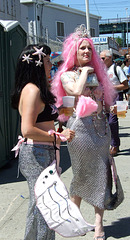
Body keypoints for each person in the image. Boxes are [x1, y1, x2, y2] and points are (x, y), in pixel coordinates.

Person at [52, 24, 117, 240]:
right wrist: (86, 71)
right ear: (74, 52)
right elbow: (76, 91)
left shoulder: (99, 74)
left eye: (89, 49)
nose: (86, 52)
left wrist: (113, 109)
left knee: (102, 175)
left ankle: (98, 225)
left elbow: (103, 102)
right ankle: (74, 220)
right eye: (82, 49)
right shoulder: (66, 75)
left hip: (101, 130)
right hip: (79, 131)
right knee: (80, 175)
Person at [11, 43, 75, 240]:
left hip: (43, 152)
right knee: (43, 207)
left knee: (44, 205)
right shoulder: (32, 90)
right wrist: (56, 136)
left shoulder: (37, 89)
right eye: (47, 60)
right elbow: (27, 129)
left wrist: (60, 120)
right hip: (36, 153)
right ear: (37, 64)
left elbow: (40, 121)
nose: (50, 64)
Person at [100, 49, 128, 156]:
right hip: (104, 98)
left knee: (113, 121)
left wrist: (111, 87)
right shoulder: (101, 70)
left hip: (116, 96)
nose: (101, 60)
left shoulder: (117, 69)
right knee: (106, 122)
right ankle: (110, 144)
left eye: (103, 58)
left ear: (109, 58)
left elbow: (125, 85)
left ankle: (115, 145)